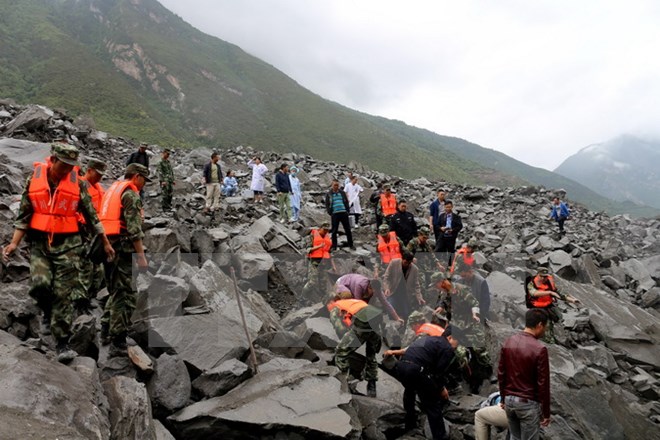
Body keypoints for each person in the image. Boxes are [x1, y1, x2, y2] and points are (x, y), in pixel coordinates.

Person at [2, 144, 115, 363]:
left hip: (68, 246)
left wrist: (105, 242)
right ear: (52, 160)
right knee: (40, 285)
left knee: (63, 295)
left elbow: (92, 216)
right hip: (41, 245)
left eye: (70, 167)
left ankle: (63, 342)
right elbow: (24, 215)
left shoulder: (77, 185)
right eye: (63, 166)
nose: (66, 171)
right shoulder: (33, 181)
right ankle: (46, 312)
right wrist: (14, 244)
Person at [99, 163, 149, 355]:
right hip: (122, 250)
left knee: (115, 290)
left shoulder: (113, 190)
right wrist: (142, 257)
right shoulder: (130, 195)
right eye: (144, 179)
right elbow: (135, 231)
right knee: (126, 295)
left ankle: (105, 329)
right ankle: (118, 340)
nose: (144, 183)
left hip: (108, 246)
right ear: (136, 176)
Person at [383, 326, 464, 439]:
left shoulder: (428, 339)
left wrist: (393, 352)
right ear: (450, 337)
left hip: (401, 367)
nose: (457, 346)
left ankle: (410, 424)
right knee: (432, 403)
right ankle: (440, 436)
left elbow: (410, 349)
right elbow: (439, 372)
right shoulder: (447, 348)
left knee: (410, 391)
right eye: (458, 342)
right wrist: (441, 389)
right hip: (416, 370)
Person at [498, 309, 551, 440]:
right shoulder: (540, 349)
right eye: (545, 327)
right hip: (527, 403)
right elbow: (543, 384)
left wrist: (503, 398)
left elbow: (501, 373)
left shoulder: (508, 342)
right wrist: (546, 412)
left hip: (510, 401)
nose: (545, 330)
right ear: (539, 325)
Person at [435, 276, 492, 394]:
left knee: (479, 349)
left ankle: (489, 372)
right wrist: (441, 307)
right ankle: (458, 375)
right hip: (456, 323)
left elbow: (474, 303)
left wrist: (475, 314)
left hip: (470, 322)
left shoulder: (461, 289)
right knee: (450, 347)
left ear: (443, 282)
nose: (436, 287)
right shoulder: (444, 293)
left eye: (436, 284)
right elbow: (443, 302)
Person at [328, 297, 383, 398]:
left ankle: (343, 381)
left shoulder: (335, 308)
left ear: (331, 303)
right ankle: (372, 385)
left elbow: (339, 328)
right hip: (375, 326)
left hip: (362, 326)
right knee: (371, 356)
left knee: (341, 352)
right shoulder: (355, 302)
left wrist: (346, 339)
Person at [78, 158, 108, 304]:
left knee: (97, 265)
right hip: (82, 231)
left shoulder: (98, 188)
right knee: (86, 265)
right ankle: (81, 299)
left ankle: (92, 295)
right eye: (98, 174)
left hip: (96, 231)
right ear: (89, 170)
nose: (100, 178)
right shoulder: (79, 185)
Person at [526, 267, 580, 344]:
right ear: (538, 275)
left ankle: (552, 341)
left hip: (548, 307)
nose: (544, 278)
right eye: (542, 276)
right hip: (537, 309)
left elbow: (560, 294)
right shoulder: (531, 283)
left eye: (545, 276)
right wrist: (550, 293)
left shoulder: (549, 282)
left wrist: (572, 300)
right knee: (543, 327)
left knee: (553, 323)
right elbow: (534, 293)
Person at [333, 274, 402, 324]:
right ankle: (340, 310)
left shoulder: (378, 291)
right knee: (348, 296)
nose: (374, 293)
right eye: (373, 291)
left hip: (354, 286)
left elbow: (386, 304)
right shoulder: (359, 285)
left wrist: (397, 318)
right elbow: (357, 302)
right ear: (369, 287)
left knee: (369, 303)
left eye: (376, 292)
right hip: (343, 283)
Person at [382, 254, 425, 321]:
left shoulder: (415, 269)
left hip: (405, 294)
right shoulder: (394, 263)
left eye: (409, 263)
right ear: (402, 259)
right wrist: (387, 288)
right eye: (405, 262)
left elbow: (416, 285)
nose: (407, 264)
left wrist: (419, 297)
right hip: (393, 291)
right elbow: (386, 277)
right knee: (391, 310)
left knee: (406, 313)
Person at [302, 222, 336, 298]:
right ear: (320, 228)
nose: (326, 231)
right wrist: (319, 246)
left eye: (327, 230)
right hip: (314, 262)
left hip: (324, 263)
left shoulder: (327, 237)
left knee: (323, 282)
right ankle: (303, 297)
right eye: (324, 230)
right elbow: (308, 249)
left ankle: (323, 299)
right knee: (312, 282)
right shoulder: (312, 236)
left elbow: (329, 252)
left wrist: (333, 266)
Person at [324, 179, 354, 250]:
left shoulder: (342, 193)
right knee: (334, 230)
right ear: (332, 185)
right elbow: (327, 204)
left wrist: (347, 211)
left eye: (337, 185)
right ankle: (334, 246)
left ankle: (351, 245)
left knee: (348, 229)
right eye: (335, 185)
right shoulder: (329, 194)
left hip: (343, 213)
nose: (336, 186)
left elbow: (346, 202)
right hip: (335, 214)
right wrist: (330, 212)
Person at [434, 200, 463, 266]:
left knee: (451, 252)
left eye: (449, 207)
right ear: (444, 207)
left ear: (452, 207)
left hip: (451, 237)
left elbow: (460, 226)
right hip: (442, 237)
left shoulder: (456, 217)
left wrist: (452, 230)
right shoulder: (441, 216)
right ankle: (437, 264)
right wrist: (441, 228)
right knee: (438, 250)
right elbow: (437, 225)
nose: (448, 209)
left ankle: (450, 267)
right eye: (446, 207)